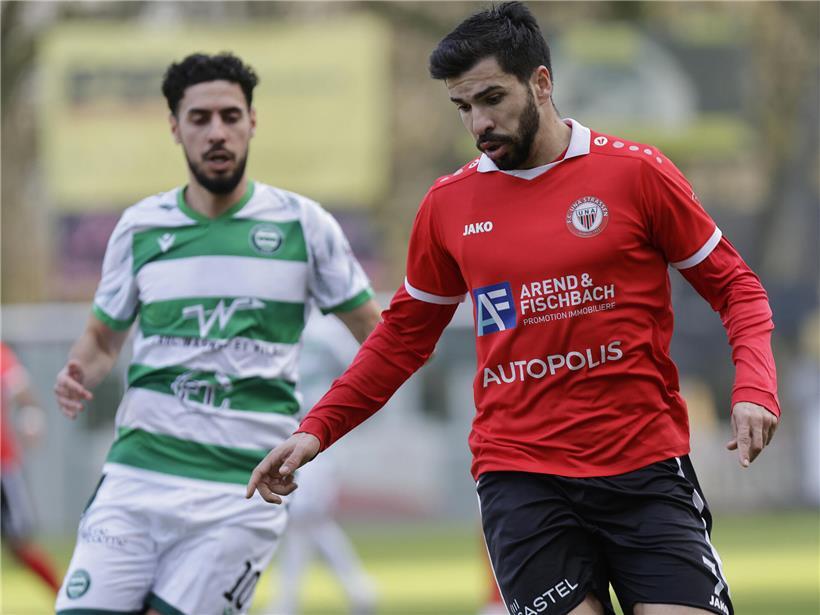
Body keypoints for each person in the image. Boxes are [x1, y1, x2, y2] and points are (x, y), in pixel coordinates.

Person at [246, 4, 780, 615]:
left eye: (492, 98)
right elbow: (400, 340)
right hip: (521, 476)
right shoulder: (448, 206)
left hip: (645, 468)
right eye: (463, 107)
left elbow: (736, 286)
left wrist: (755, 388)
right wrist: (316, 430)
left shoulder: (636, 174)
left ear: (541, 83)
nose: (478, 122)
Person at [53, 52, 381, 615]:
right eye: (200, 118)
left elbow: (379, 340)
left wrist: (322, 427)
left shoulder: (304, 226)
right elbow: (102, 341)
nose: (217, 132)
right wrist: (78, 372)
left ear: (253, 121)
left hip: (242, 488)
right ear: (175, 127)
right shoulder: (140, 227)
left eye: (230, 115)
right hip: (136, 477)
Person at [266, 314, 376, 615]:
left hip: (323, 436)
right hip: (288, 433)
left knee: (302, 516)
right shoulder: (277, 327)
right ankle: (359, 591)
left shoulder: (329, 331)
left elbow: (363, 368)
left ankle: (286, 603)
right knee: (307, 519)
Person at [1, 342, 61, 595]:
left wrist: (31, 417)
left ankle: (65, 599)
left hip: (2, 466)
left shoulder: (1, 355)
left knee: (21, 544)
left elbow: (23, 393)